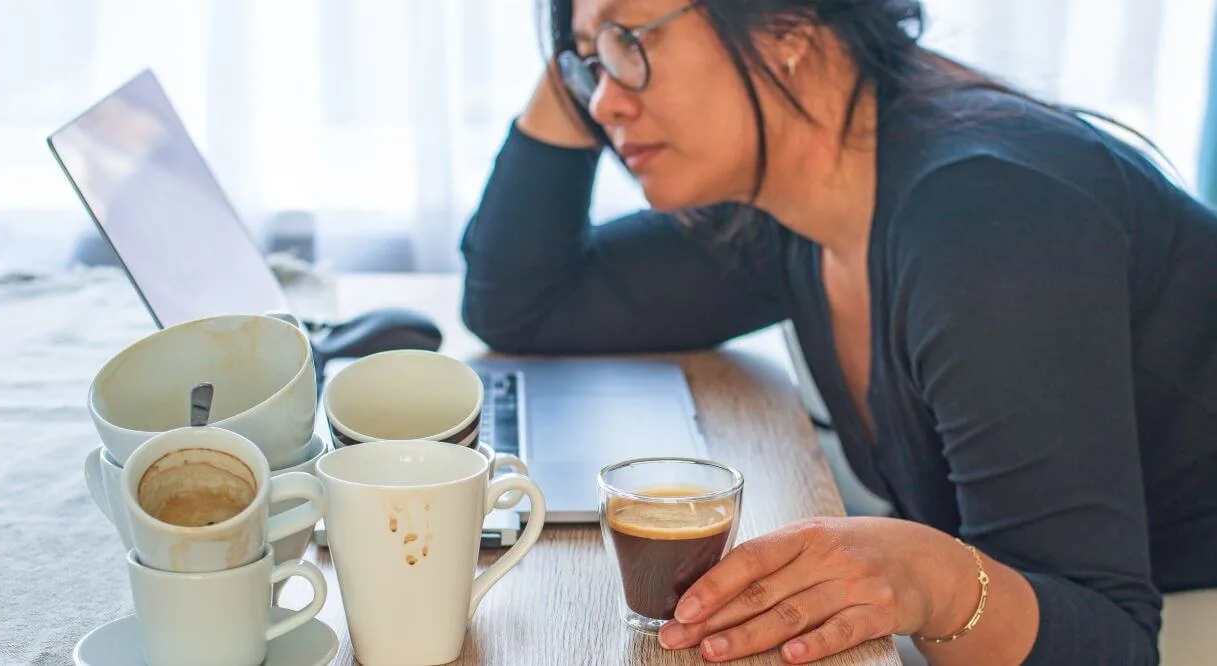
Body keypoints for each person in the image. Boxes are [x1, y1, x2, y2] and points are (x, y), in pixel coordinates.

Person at [459, 1, 1217, 664]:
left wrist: (934, 578)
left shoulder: (986, 223)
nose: (604, 105)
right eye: (589, 69)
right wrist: (583, 51)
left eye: (631, 42)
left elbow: (1111, 643)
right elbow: (522, 301)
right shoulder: (794, 200)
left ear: (787, 24)